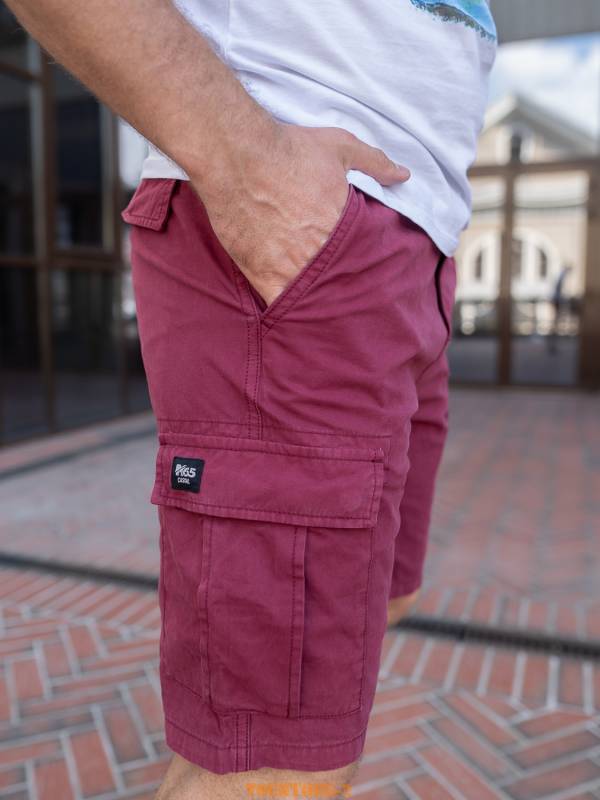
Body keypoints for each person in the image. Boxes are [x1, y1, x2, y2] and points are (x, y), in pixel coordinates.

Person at [6, 0, 497, 796]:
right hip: (301, 232)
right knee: (271, 766)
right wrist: (245, 162)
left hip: (408, 245)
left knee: (385, 601)